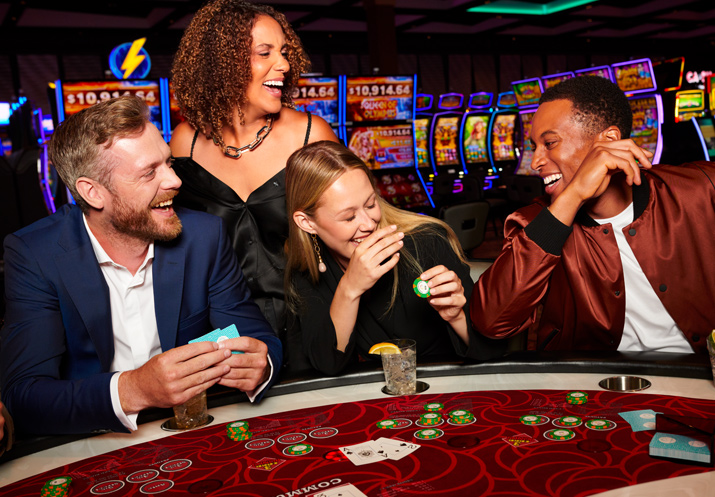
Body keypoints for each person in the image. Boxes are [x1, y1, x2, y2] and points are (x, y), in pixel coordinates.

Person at [0, 96, 282, 436]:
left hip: (192, 431)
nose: (174, 181)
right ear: (93, 193)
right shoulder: (35, 254)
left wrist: (260, 366)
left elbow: (258, 337)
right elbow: (23, 395)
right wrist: (134, 389)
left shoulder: (203, 236)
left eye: (168, 163)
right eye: (149, 172)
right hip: (92, 443)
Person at [471, 75, 715, 354]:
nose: (535, 162)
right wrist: (573, 196)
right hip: (593, 384)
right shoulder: (532, 222)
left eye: (549, 143)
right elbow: (491, 321)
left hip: (699, 375)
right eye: (533, 147)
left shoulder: (701, 188)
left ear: (609, 140)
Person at [170, 0, 338, 371]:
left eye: (284, 52)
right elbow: (177, 246)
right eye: (265, 53)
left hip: (309, 319)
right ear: (222, 64)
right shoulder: (186, 142)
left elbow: (357, 225)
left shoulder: (310, 135)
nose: (285, 65)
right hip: (225, 333)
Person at [285, 141, 506, 375]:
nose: (369, 224)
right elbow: (326, 365)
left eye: (371, 204)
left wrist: (457, 317)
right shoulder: (306, 273)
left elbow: (492, 351)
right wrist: (350, 289)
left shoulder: (428, 242)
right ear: (307, 223)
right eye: (349, 217)